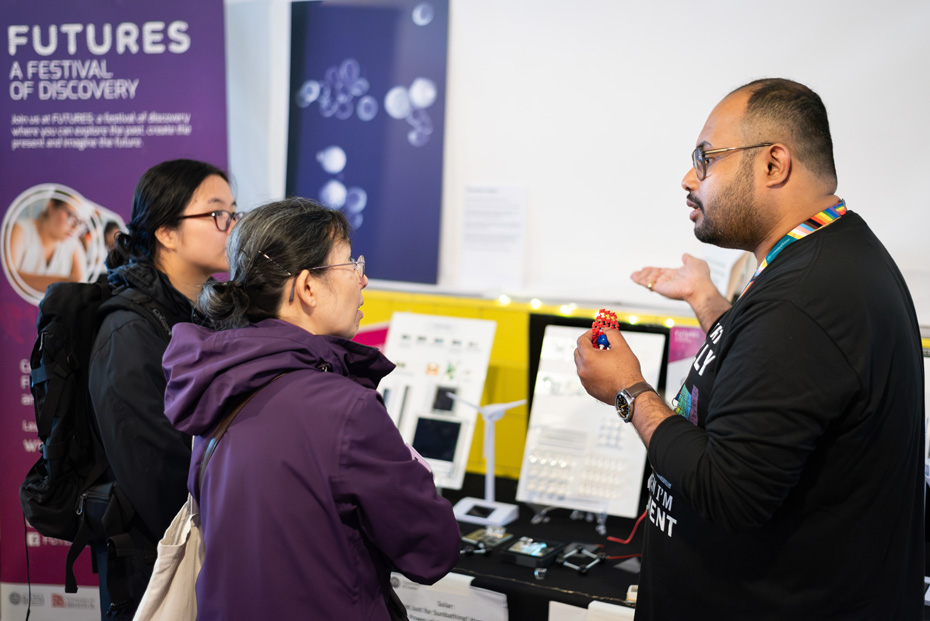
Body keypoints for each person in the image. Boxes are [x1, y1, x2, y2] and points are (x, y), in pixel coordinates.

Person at [574, 78, 925, 619]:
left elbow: (728, 491)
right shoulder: (826, 259)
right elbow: (769, 376)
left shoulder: (806, 297)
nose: (688, 178)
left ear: (773, 164)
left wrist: (629, 392)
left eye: (706, 158)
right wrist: (708, 302)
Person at [162, 198, 460, 620]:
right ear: (307, 287)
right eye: (350, 264)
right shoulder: (346, 409)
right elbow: (432, 552)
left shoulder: (216, 385)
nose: (363, 278)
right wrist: (414, 468)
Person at [88, 159, 237, 617]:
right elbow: (158, 477)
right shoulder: (129, 332)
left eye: (235, 213)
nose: (232, 226)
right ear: (167, 233)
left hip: (211, 555)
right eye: (217, 214)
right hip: (157, 569)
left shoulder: (214, 314)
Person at [9, 195, 87, 292]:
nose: (75, 227)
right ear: (51, 205)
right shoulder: (20, 230)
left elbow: (81, 288)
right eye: (71, 216)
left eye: (81, 222)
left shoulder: (74, 246)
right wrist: (66, 283)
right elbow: (8, 279)